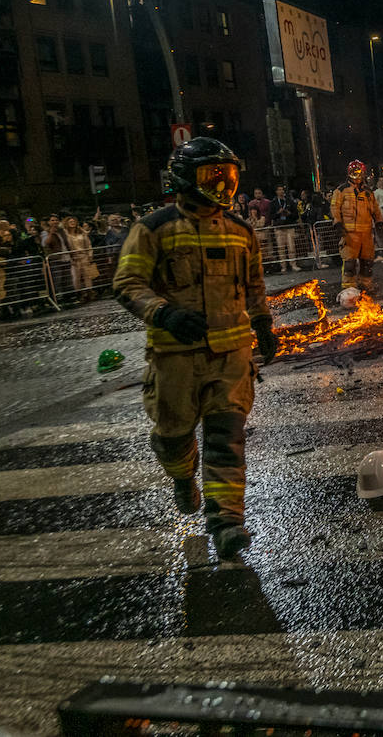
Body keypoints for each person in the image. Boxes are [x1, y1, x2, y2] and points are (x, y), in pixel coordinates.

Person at [112, 137, 277, 561]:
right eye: (213, 177)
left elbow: (255, 287)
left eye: (229, 178)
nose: (223, 188)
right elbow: (128, 283)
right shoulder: (152, 229)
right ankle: (183, 476)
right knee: (173, 437)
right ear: (186, 178)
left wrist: (263, 324)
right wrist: (163, 313)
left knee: (228, 440)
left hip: (231, 359)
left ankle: (226, 524)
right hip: (174, 361)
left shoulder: (242, 232)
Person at [330, 159, 383, 292]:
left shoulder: (367, 192)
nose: (357, 175)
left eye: (359, 172)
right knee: (350, 263)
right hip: (349, 233)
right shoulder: (341, 190)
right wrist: (337, 223)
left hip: (366, 233)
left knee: (367, 262)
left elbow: (375, 209)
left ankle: (366, 284)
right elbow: (334, 207)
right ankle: (349, 288)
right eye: (355, 172)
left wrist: (379, 222)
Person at [63, 216, 99, 300]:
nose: (72, 223)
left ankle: (90, 292)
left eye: (74, 221)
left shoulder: (81, 233)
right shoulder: (66, 234)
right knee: (76, 277)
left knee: (87, 276)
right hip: (74, 258)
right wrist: (70, 257)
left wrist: (90, 255)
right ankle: (79, 293)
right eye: (70, 222)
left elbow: (88, 244)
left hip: (84, 256)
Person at [269, 185, 302, 271]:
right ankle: (283, 266)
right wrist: (278, 213)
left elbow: (296, 214)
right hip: (279, 227)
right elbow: (271, 216)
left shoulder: (290, 201)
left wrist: (289, 213)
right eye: (279, 190)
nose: (281, 191)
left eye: (282, 190)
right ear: (276, 192)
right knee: (281, 248)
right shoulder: (273, 203)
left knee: (291, 247)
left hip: (289, 226)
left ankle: (293, 264)